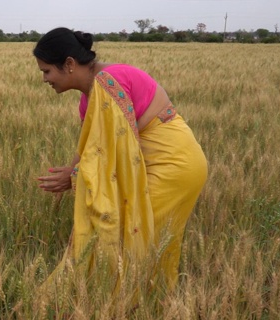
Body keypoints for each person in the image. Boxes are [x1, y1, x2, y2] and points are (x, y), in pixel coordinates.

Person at [34, 27, 207, 293]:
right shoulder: (88, 97)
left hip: (174, 166)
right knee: (138, 243)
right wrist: (72, 170)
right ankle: (135, 314)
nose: (45, 79)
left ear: (69, 64)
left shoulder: (108, 81)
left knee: (134, 243)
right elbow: (92, 146)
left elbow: (114, 151)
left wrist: (75, 176)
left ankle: (127, 315)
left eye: (46, 71)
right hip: (163, 165)